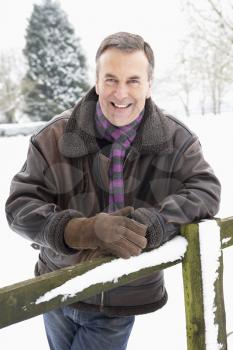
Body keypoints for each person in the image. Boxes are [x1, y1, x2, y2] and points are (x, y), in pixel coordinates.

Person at [5, 32, 221, 350]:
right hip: (57, 288)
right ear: (96, 80)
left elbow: (205, 191)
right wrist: (80, 230)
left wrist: (156, 223)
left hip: (121, 295)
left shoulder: (177, 140)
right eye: (110, 79)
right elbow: (20, 205)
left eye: (133, 80)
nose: (120, 93)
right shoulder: (52, 136)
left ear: (149, 84)